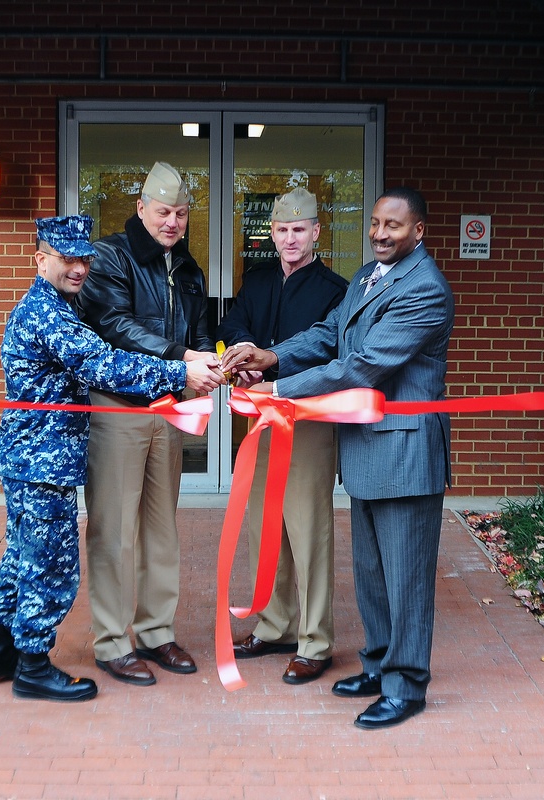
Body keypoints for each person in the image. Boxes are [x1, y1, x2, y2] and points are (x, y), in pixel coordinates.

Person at [220, 187, 454, 729]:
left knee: (406, 578)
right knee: (372, 574)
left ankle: (406, 685)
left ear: (418, 231)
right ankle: (378, 666)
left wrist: (279, 388)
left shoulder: (424, 289)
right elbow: (330, 333)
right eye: (375, 223)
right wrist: (272, 354)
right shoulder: (371, 276)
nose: (379, 233)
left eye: (393, 225)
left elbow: (362, 365)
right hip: (369, 448)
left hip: (406, 452)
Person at [0, 215, 223, 702]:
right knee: (50, 564)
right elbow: (103, 363)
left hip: (33, 455)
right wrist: (180, 373)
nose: (79, 268)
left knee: (22, 555)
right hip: (42, 458)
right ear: (40, 260)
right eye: (67, 259)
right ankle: (32, 665)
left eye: (84, 258)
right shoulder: (48, 313)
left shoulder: (53, 306)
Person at [77, 162, 224, 686]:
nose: (173, 222)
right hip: (117, 405)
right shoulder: (109, 256)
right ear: (141, 208)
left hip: (169, 407)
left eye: (181, 214)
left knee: (162, 528)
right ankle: (113, 642)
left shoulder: (188, 268)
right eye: (164, 212)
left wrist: (208, 365)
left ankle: (158, 632)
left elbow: (201, 330)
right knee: (114, 528)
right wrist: (182, 357)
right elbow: (115, 324)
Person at [216, 186, 348, 684]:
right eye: (282, 230)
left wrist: (268, 360)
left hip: (308, 419)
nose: (290, 238)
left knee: (308, 529)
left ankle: (315, 640)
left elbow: (329, 349)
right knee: (264, 525)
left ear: (316, 232)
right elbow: (232, 327)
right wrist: (238, 361)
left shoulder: (335, 289)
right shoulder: (258, 281)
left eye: (299, 229)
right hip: (260, 416)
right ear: (271, 234)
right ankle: (274, 626)